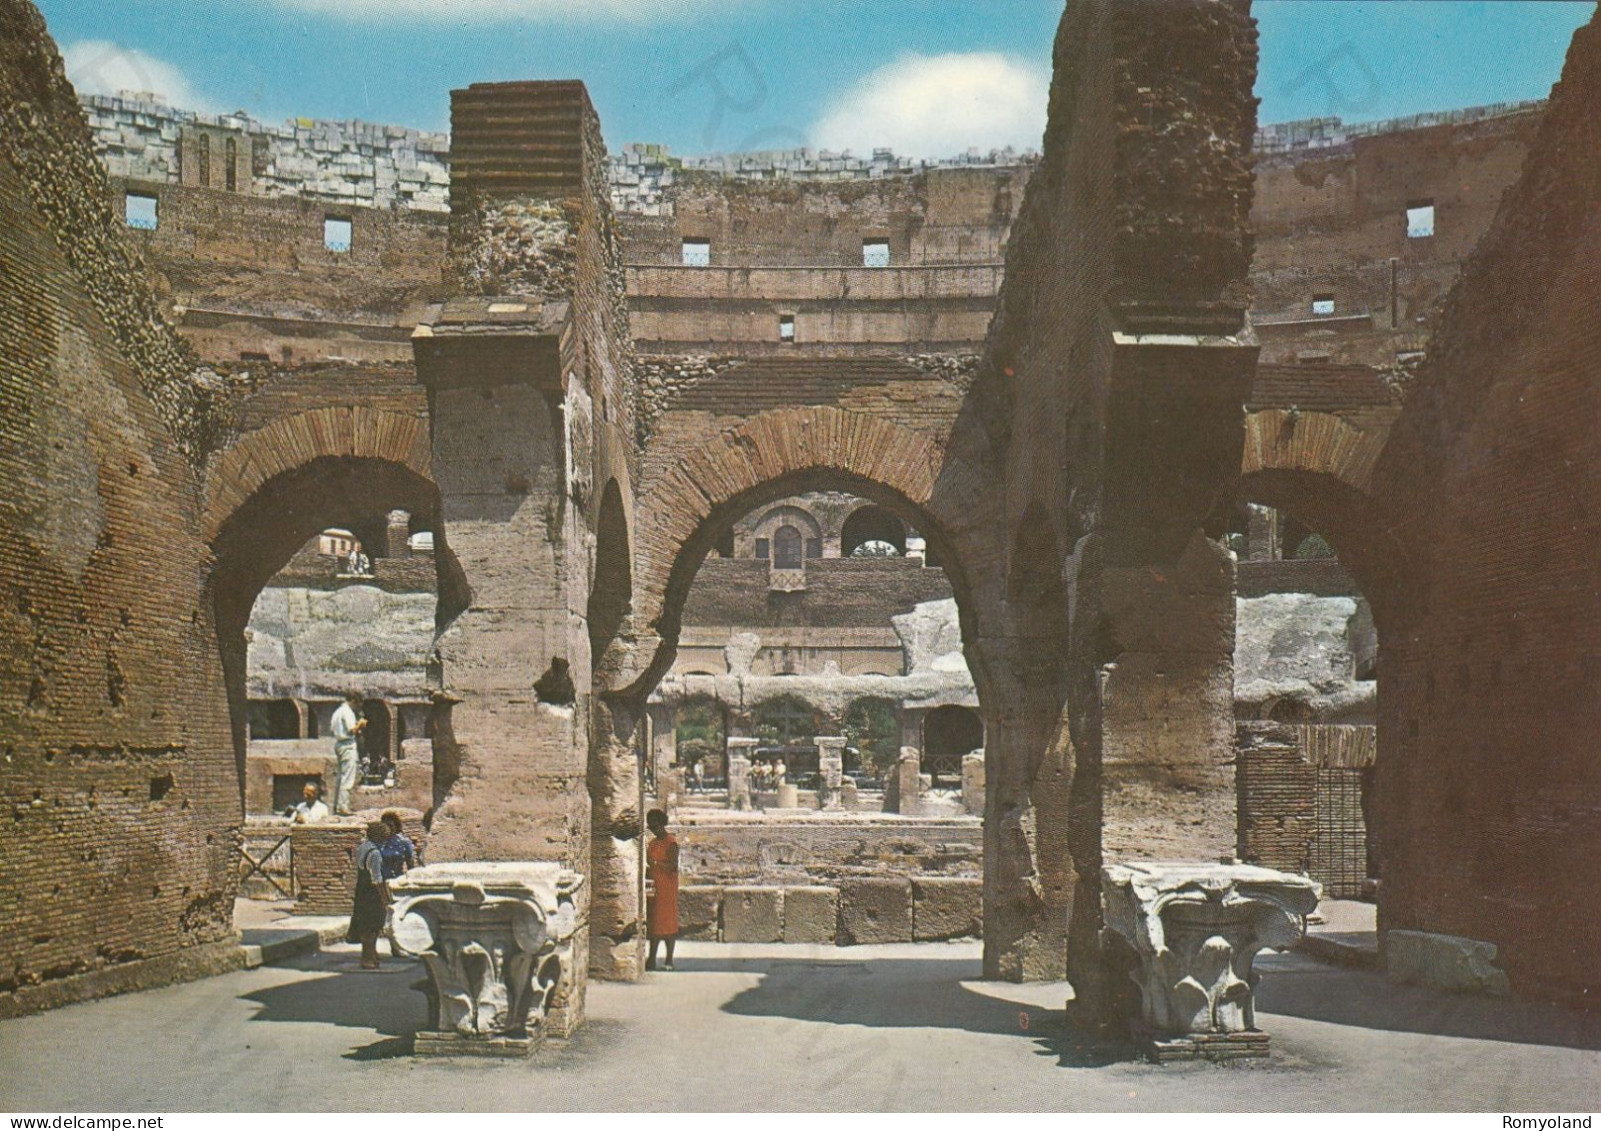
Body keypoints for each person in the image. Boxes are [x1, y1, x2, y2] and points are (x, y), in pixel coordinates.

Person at [346, 820, 392, 969]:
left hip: (362, 890)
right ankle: (368, 959)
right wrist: (385, 898)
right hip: (372, 894)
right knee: (373, 926)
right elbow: (377, 879)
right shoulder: (375, 854)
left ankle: (372, 955)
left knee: (365, 925)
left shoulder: (362, 847)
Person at [644, 808, 679, 972]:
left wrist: (656, 864)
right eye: (651, 827)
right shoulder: (652, 843)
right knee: (654, 924)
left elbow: (673, 865)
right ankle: (651, 959)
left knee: (668, 923)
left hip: (667, 887)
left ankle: (669, 959)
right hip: (654, 886)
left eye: (655, 826)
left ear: (662, 824)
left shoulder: (671, 842)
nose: (653, 829)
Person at [329, 691, 367, 816]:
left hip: (339, 744)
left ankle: (338, 805)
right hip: (347, 745)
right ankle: (343, 807)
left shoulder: (337, 712)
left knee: (341, 776)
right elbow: (352, 730)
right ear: (354, 701)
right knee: (348, 777)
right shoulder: (347, 712)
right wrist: (360, 723)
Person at [378, 810, 417, 880]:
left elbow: (411, 866)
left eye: (390, 825)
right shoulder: (378, 843)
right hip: (381, 883)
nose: (387, 828)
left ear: (396, 826)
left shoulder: (404, 842)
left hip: (397, 880)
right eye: (385, 825)